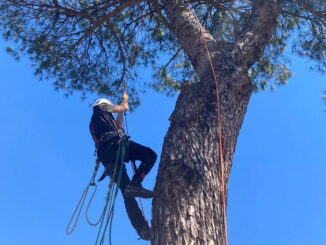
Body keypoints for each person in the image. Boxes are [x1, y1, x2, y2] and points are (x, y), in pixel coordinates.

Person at [89, 93, 157, 241]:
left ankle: (143, 230)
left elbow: (119, 125)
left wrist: (120, 110)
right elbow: (124, 107)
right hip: (115, 145)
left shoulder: (97, 122)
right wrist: (125, 100)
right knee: (150, 155)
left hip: (107, 158)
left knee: (127, 195)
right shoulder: (101, 107)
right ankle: (136, 183)